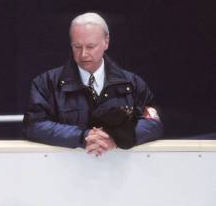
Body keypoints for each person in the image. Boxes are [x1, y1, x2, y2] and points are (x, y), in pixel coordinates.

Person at [24, 12, 164, 155]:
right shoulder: (45, 83)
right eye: (77, 46)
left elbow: (153, 124)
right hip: (64, 173)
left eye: (91, 46)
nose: (83, 54)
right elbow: (34, 125)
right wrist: (83, 137)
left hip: (121, 173)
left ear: (106, 42)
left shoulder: (133, 83)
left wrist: (116, 138)